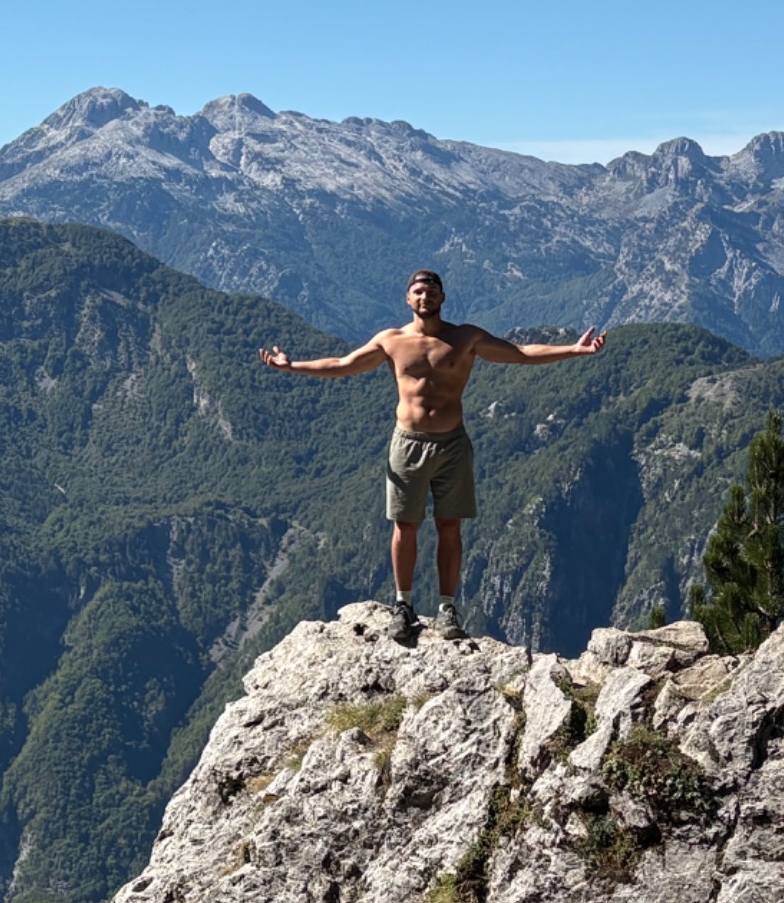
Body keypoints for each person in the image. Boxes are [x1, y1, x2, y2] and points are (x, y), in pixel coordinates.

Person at [258, 269, 606, 638]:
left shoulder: (465, 338)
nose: (425, 297)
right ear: (408, 299)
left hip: (452, 444)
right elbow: (343, 365)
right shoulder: (390, 341)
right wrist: (292, 366)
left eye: (432, 291)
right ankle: (403, 606)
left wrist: (573, 349)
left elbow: (519, 353)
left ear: (442, 298)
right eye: (418, 291)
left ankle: (447, 609)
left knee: (449, 526)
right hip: (407, 443)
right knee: (405, 525)